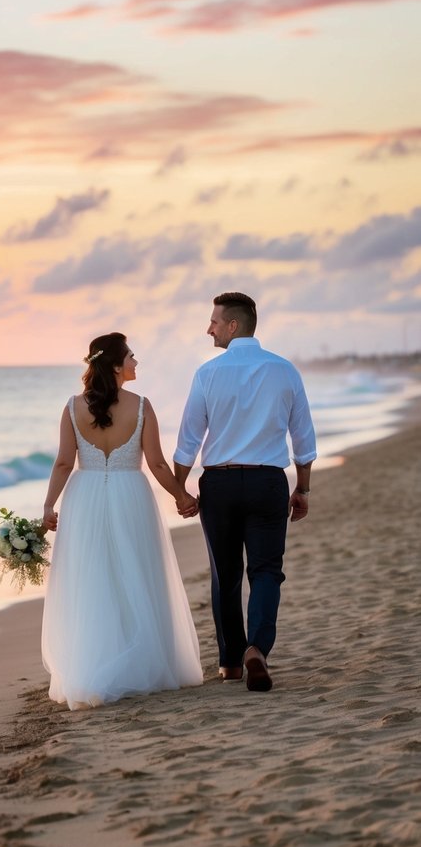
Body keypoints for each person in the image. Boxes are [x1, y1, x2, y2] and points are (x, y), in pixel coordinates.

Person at [40, 332, 203, 710]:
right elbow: (158, 463)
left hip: (85, 496)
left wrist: (49, 505)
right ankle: (140, 662)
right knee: (136, 574)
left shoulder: (72, 407)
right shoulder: (142, 406)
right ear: (115, 365)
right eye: (131, 356)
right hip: (131, 494)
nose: (135, 362)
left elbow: (64, 462)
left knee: (93, 578)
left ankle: (94, 664)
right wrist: (182, 496)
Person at [173, 292, 317, 693]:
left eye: (214, 321)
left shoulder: (207, 374)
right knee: (267, 571)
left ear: (233, 325)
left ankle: (230, 663)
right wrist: (302, 488)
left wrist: (180, 487)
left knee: (226, 574)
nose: (209, 328)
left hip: (218, 484)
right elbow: (303, 439)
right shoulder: (284, 370)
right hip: (268, 481)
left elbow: (188, 441)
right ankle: (258, 649)